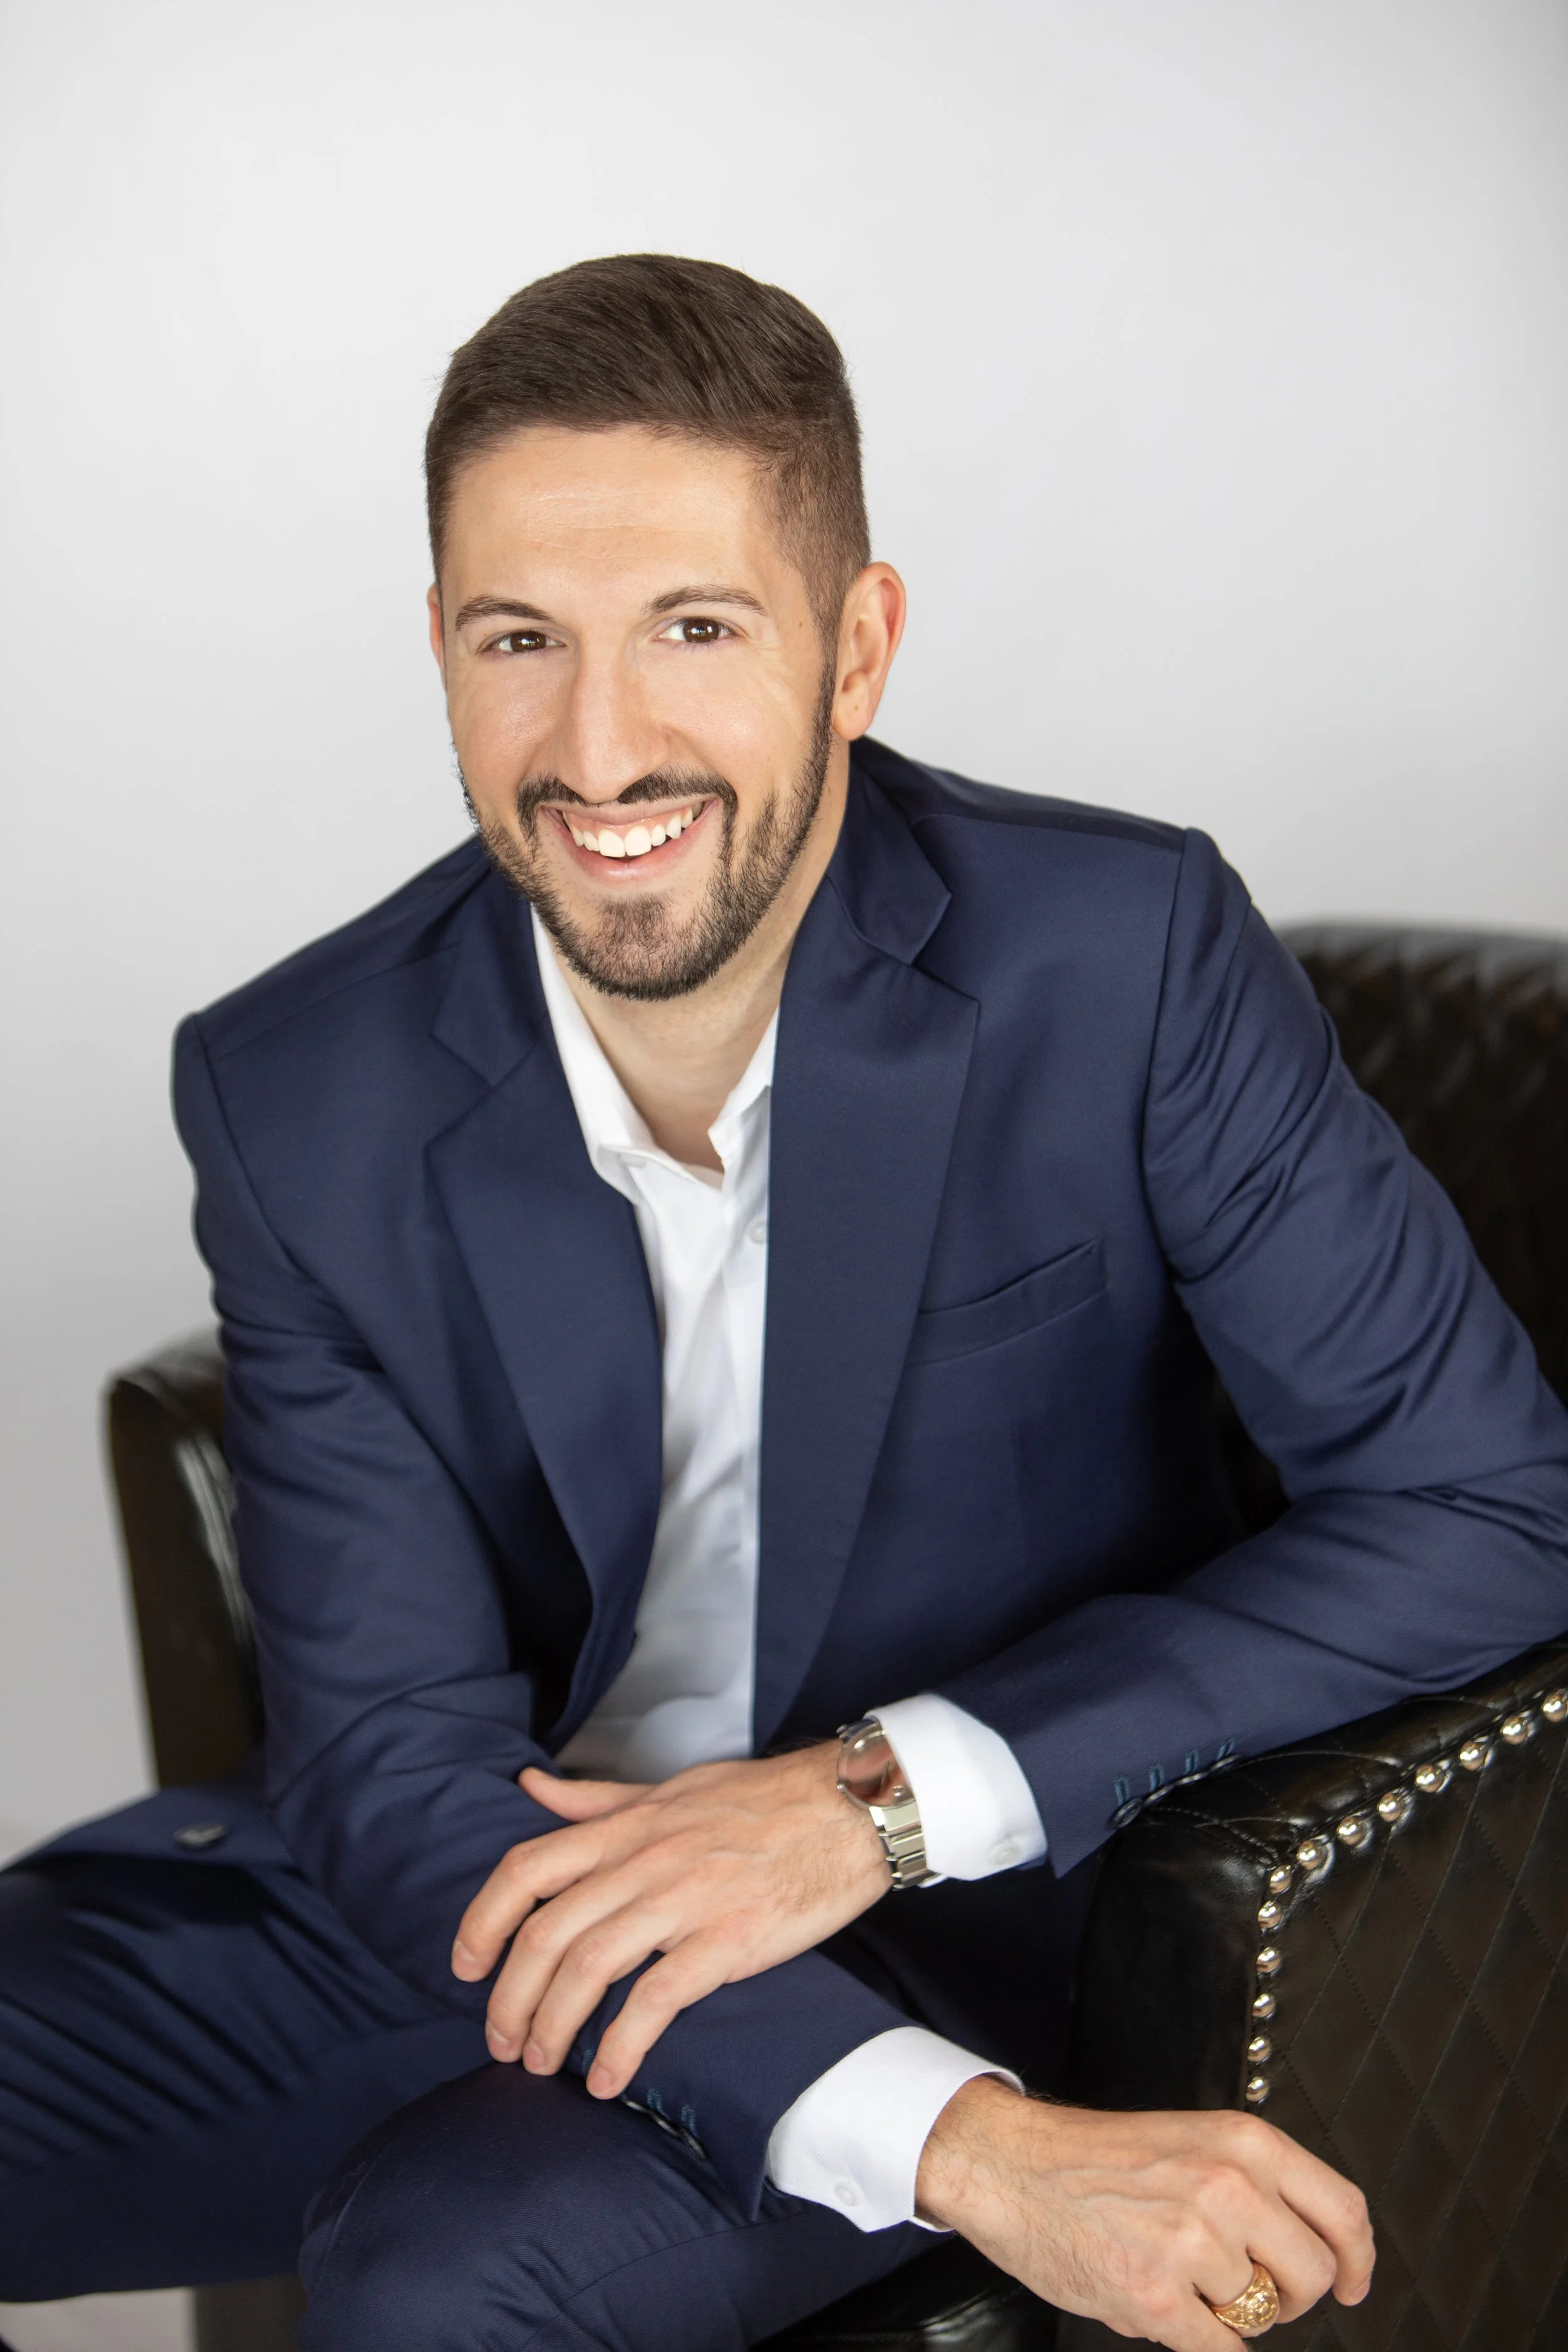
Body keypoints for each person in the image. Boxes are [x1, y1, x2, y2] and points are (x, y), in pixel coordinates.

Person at [3, 255, 1566, 2352]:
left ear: (856, 648)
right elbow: (386, 1753)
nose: (597, 743)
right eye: (516, 639)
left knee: (450, 2273)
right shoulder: (292, 1083)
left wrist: (873, 1796)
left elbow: (1485, 1499)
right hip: (450, 1891)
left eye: (695, 628)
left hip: (941, 1917)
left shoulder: (1118, 960)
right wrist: (967, 2151)